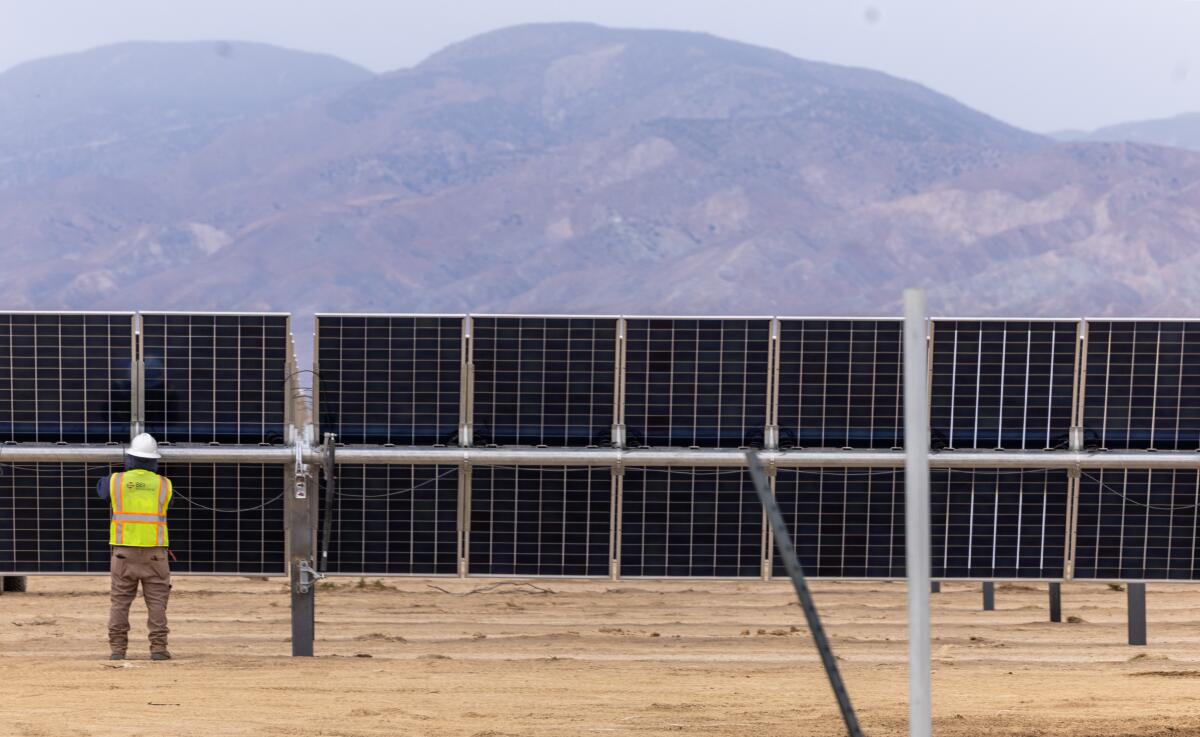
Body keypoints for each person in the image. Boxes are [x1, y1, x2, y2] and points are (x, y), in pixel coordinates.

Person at [96, 433, 174, 661]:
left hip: (123, 553)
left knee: (120, 602)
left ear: (130, 458)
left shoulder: (115, 481)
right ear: (154, 461)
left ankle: (118, 650)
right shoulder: (164, 485)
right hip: (155, 554)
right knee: (157, 602)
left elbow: (101, 492)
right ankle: (158, 649)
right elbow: (170, 502)